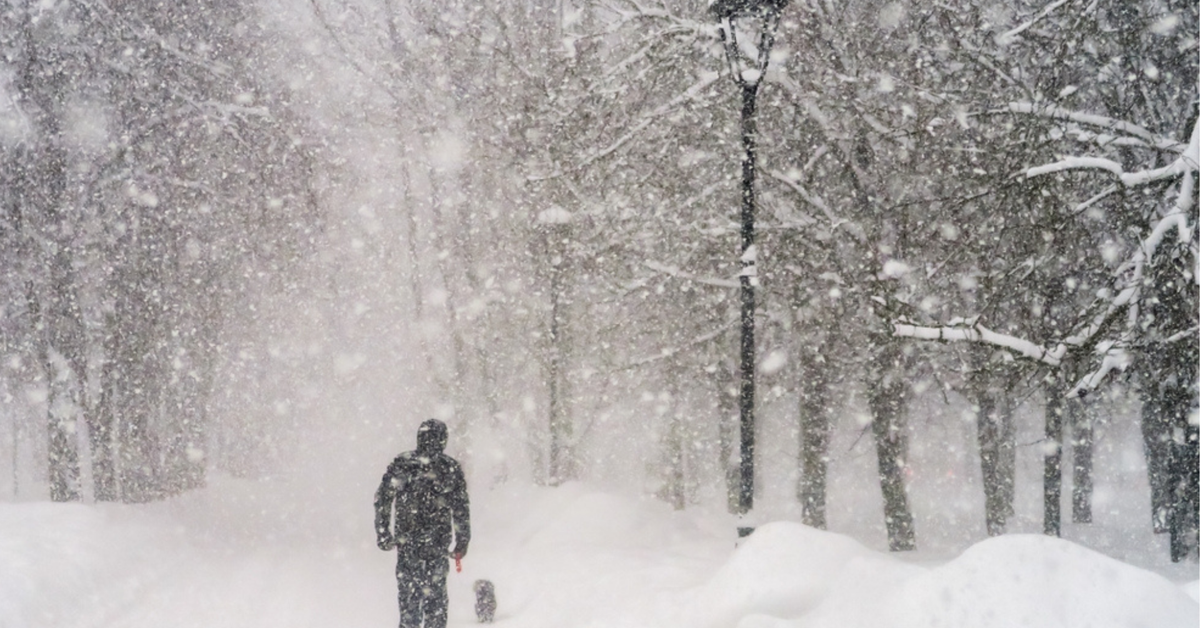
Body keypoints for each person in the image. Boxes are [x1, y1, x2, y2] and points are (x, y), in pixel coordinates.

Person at [375, 419, 471, 628]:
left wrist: (383, 531)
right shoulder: (449, 468)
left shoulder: (403, 464)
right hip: (435, 545)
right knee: (435, 602)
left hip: (408, 543)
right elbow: (461, 508)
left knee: (409, 602)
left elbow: (383, 499)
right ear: (443, 440)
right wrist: (462, 541)